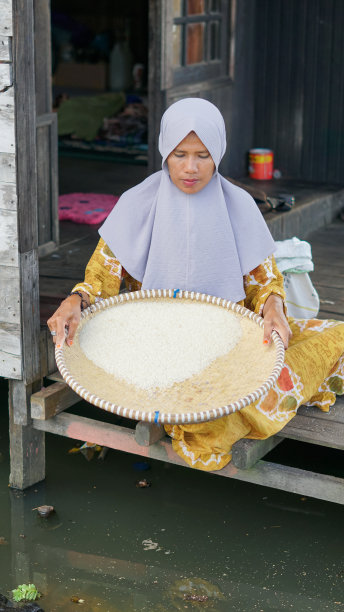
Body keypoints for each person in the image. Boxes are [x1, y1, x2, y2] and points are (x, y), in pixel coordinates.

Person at [48, 98, 344, 471]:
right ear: (164, 153)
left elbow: (265, 282)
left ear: (217, 153)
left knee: (334, 340)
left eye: (203, 155)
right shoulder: (138, 203)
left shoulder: (238, 204)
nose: (190, 168)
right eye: (179, 154)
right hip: (156, 345)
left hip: (225, 343)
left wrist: (273, 308)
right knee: (204, 415)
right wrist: (76, 299)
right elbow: (101, 279)